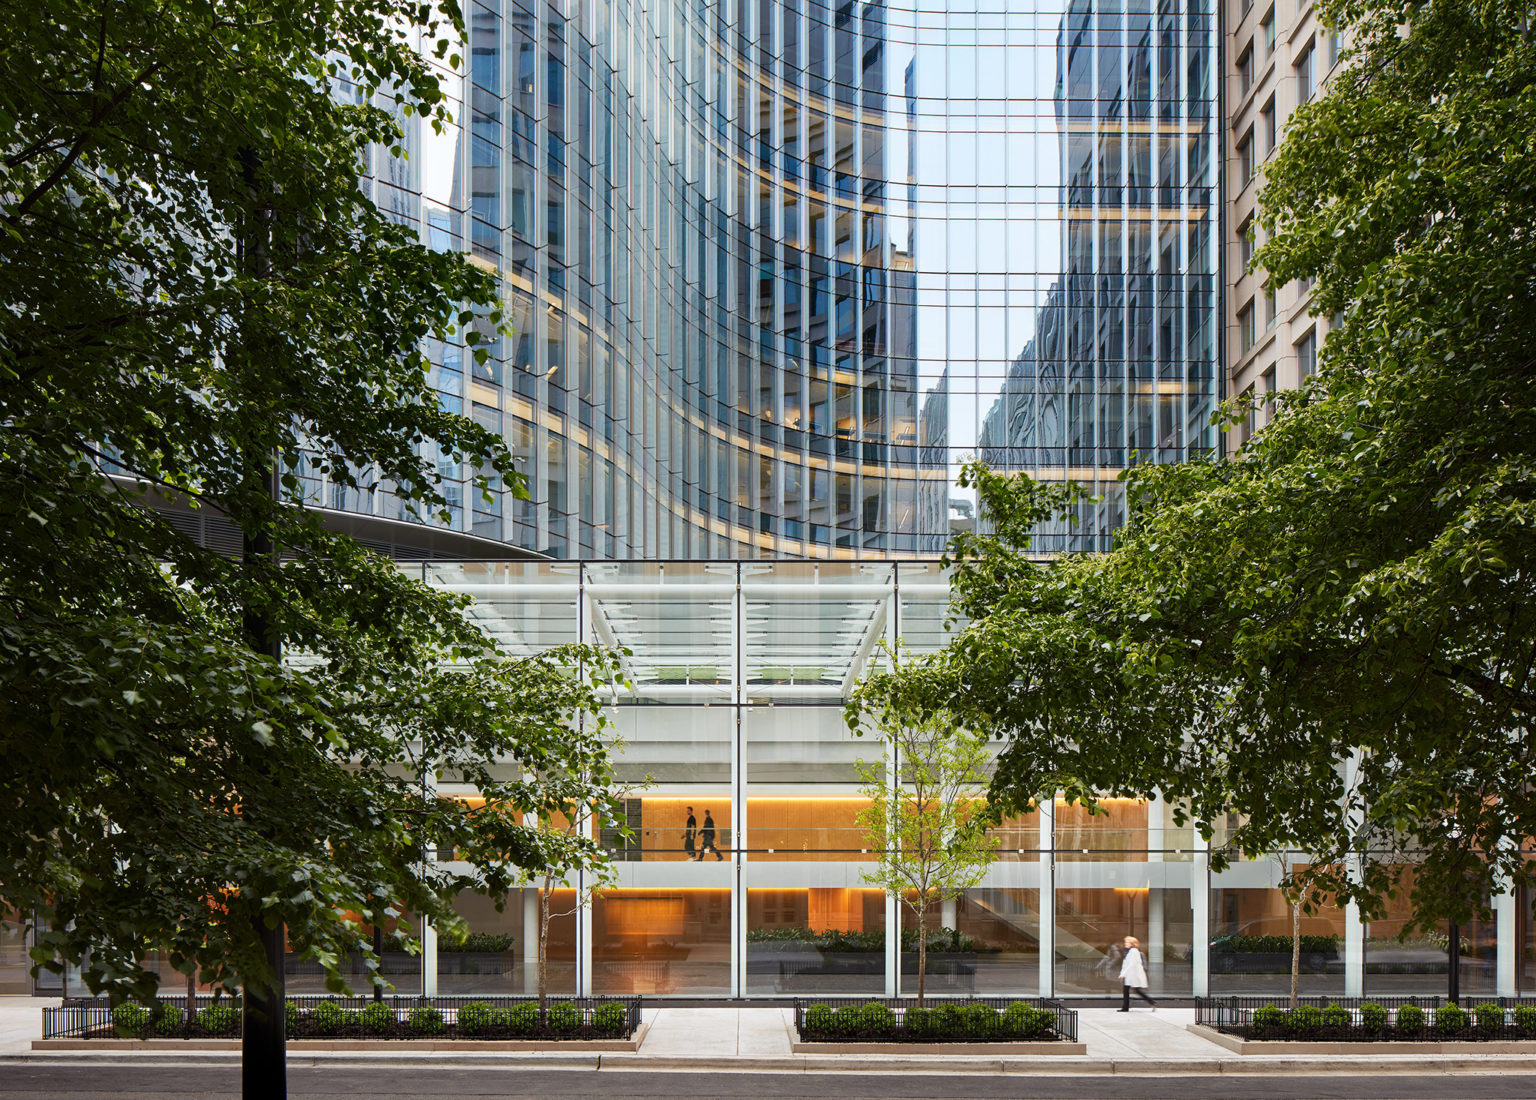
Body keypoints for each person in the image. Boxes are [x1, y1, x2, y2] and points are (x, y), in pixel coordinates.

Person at [1117, 935, 1156, 1011]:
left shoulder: (1134, 952)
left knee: (1135, 990)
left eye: (1127, 942)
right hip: (1130, 975)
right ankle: (1125, 1007)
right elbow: (1125, 964)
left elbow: (1131, 964)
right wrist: (1123, 972)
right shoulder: (1128, 952)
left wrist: (1123, 974)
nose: (1125, 943)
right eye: (1125, 942)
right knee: (1127, 990)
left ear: (1132, 943)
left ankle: (1152, 1001)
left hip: (1133, 975)